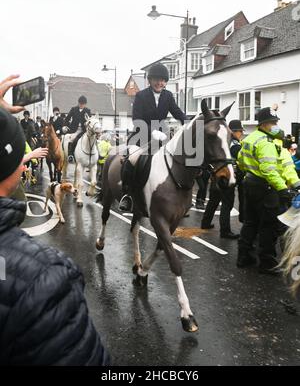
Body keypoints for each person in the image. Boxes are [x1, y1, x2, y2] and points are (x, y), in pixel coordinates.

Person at [0, 92, 109, 365]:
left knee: (90, 148)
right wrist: (63, 129)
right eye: (81, 104)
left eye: (83, 105)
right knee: (71, 142)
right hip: (70, 133)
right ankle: (70, 168)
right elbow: (69, 126)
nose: (82, 106)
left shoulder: (88, 113)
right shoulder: (71, 113)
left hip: (87, 136)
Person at [236, 107, 300, 273]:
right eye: (272, 122)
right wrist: (283, 189)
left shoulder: (251, 138)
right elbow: (270, 171)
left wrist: (296, 183)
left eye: (276, 122)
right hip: (266, 187)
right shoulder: (267, 142)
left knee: (250, 222)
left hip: (250, 184)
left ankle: (243, 256)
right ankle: (266, 262)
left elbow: (240, 162)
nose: (275, 125)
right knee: (268, 225)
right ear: (263, 124)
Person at [119, 63, 187, 212]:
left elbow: (177, 112)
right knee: (132, 159)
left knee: (176, 159)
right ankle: (127, 194)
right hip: (140, 136)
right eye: (156, 79)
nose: (160, 82)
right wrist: (152, 131)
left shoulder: (168, 96)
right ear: (150, 80)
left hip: (161, 138)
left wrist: (188, 121)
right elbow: (137, 120)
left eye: (163, 80)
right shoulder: (141, 95)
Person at [200, 119, 244, 239]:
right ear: (234, 132)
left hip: (216, 176)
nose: (242, 134)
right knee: (227, 204)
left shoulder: (221, 141)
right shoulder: (236, 145)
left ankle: (205, 223)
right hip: (228, 177)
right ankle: (225, 231)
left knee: (213, 201)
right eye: (240, 131)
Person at [63, 96, 91, 160]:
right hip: (75, 130)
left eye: (83, 104)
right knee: (72, 139)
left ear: (85, 104)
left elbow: (90, 121)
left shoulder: (87, 110)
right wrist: (65, 125)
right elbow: (67, 119)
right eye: (80, 103)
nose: (81, 105)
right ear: (78, 103)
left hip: (84, 130)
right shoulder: (73, 109)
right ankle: (70, 155)